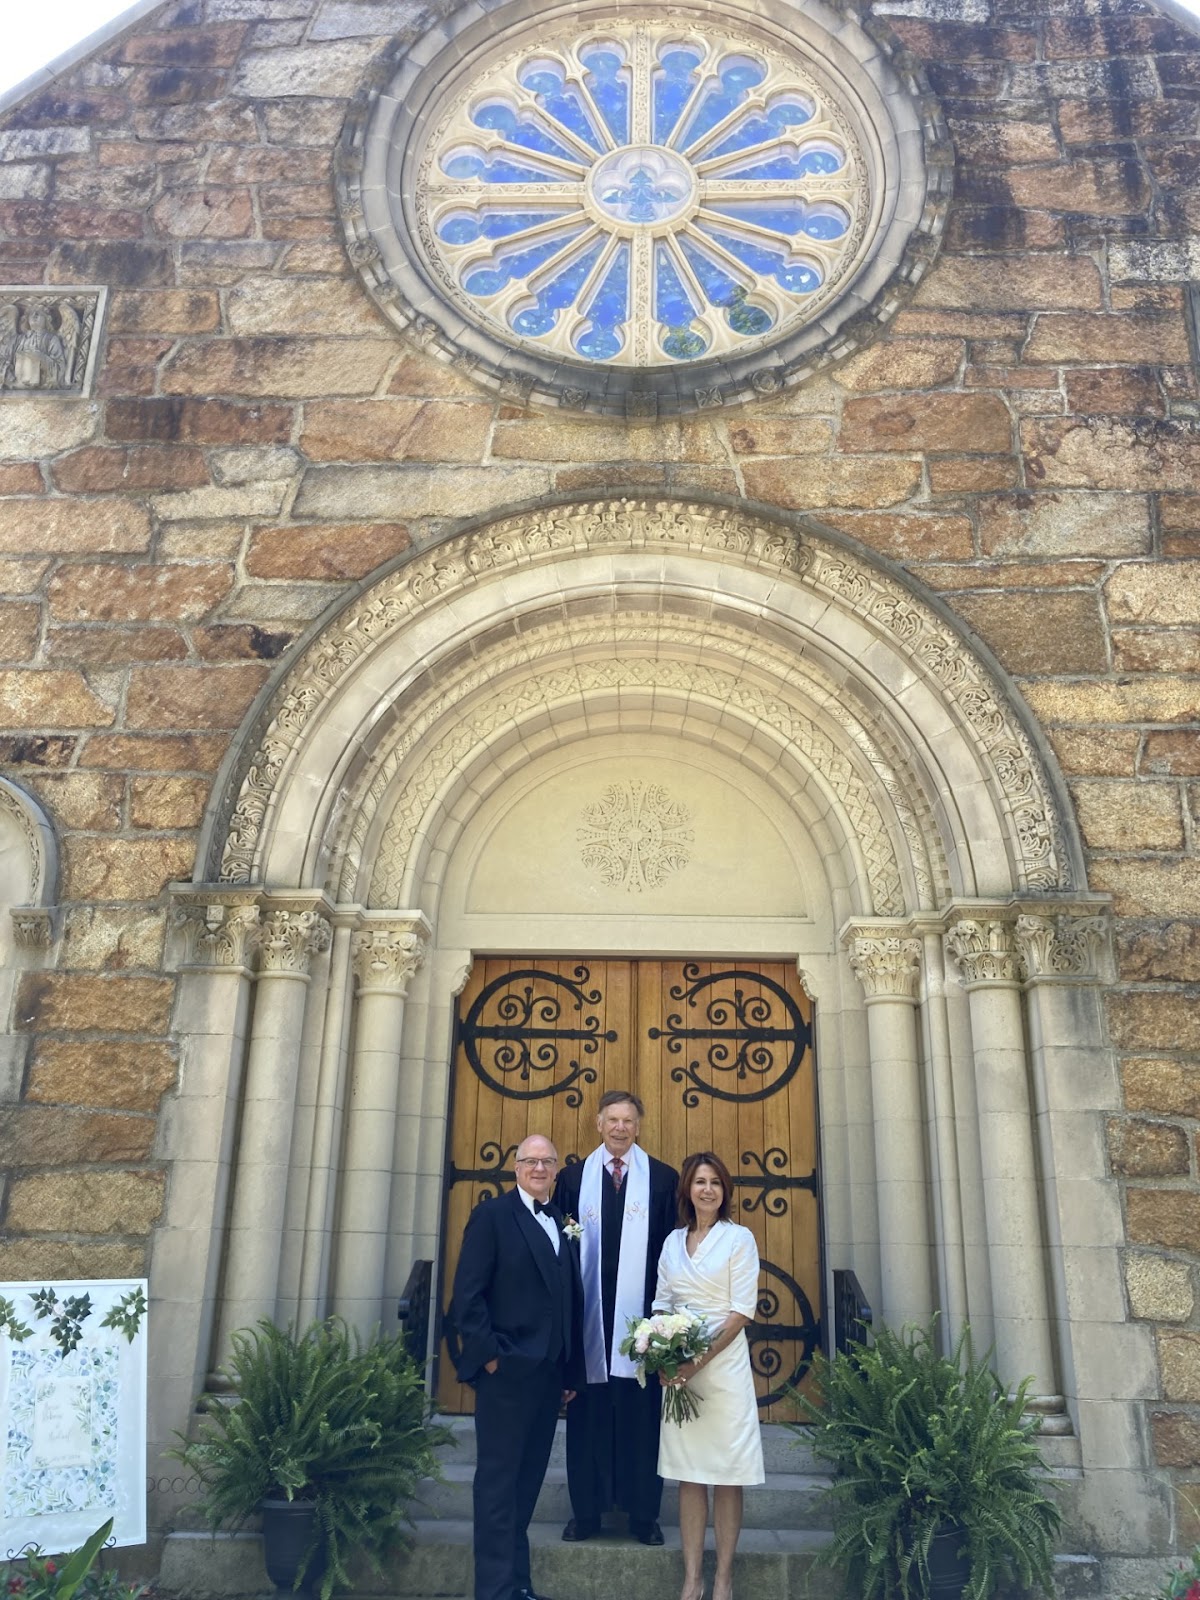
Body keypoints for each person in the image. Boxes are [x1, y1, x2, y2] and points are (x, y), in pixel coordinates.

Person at [451, 1133, 583, 1600]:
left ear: (556, 1170)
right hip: (506, 1373)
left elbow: (567, 1298)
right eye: (531, 1161)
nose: (539, 1168)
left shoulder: (561, 1221)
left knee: (526, 1485)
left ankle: (517, 1586)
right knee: (497, 1485)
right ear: (516, 1167)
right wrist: (490, 1357)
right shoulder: (492, 1217)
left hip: (548, 1376)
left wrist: (569, 1371)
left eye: (547, 1162)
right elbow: (468, 1296)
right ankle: (493, 1590)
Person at [552, 1089, 678, 1545]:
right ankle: (586, 1514)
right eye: (613, 1120)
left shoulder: (663, 1179)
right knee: (587, 1418)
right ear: (598, 1124)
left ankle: (643, 1515)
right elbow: (562, 1251)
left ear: (638, 1127)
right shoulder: (572, 1179)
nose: (620, 1128)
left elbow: (671, 1253)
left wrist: (664, 1325)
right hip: (589, 1320)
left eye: (628, 1121)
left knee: (641, 1419)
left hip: (641, 1322)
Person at [654, 1150, 765, 1600]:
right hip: (681, 1373)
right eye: (700, 1181)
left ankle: (723, 1578)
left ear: (725, 1191)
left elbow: (740, 1312)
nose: (707, 1190)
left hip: (723, 1371)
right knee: (689, 1475)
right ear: (688, 1188)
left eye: (715, 1182)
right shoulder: (672, 1242)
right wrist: (662, 1353)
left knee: (727, 1474)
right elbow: (662, 1304)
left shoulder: (739, 1239)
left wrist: (695, 1361)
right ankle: (692, 1578)